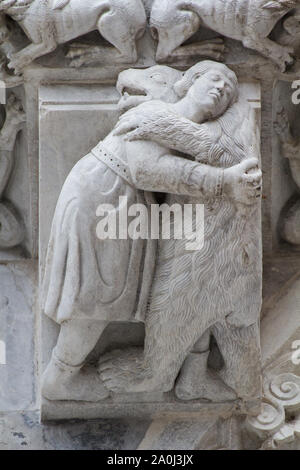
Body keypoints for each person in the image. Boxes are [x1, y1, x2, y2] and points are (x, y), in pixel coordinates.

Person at [42, 62, 260, 402]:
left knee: (192, 280)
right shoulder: (156, 112)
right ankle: (60, 377)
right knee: (97, 296)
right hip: (105, 200)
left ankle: (191, 372)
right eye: (214, 79)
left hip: (129, 208)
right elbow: (147, 171)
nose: (222, 90)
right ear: (187, 82)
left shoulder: (188, 128)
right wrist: (225, 181)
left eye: (230, 90)